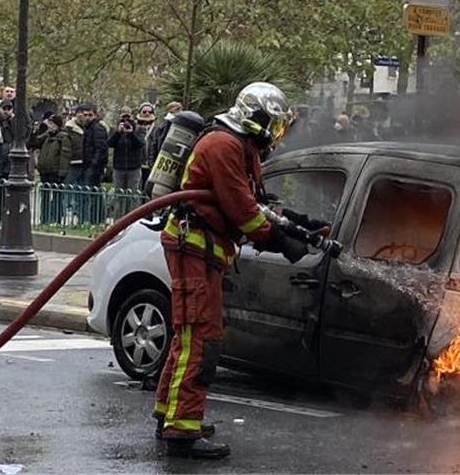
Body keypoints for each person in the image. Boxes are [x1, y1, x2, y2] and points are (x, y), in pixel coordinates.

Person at [152, 82, 318, 459]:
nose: (276, 135)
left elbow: (255, 201)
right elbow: (243, 213)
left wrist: (295, 222)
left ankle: (170, 413)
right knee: (202, 338)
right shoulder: (224, 145)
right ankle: (182, 430)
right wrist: (280, 242)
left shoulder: (242, 146)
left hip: (204, 248)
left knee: (188, 335)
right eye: (273, 125)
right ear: (256, 119)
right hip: (194, 246)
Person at [109, 109, 144, 214]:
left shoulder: (139, 129)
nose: (126, 120)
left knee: (133, 195)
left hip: (134, 168)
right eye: (123, 118)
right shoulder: (114, 129)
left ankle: (132, 219)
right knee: (119, 195)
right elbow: (109, 143)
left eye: (128, 117)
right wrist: (117, 133)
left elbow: (140, 144)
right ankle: (118, 220)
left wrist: (131, 134)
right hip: (118, 167)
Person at [135, 102, 157, 190]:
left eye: (150, 112)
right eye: (144, 112)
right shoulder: (134, 127)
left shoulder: (157, 129)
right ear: (140, 112)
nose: (147, 114)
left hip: (151, 165)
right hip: (137, 164)